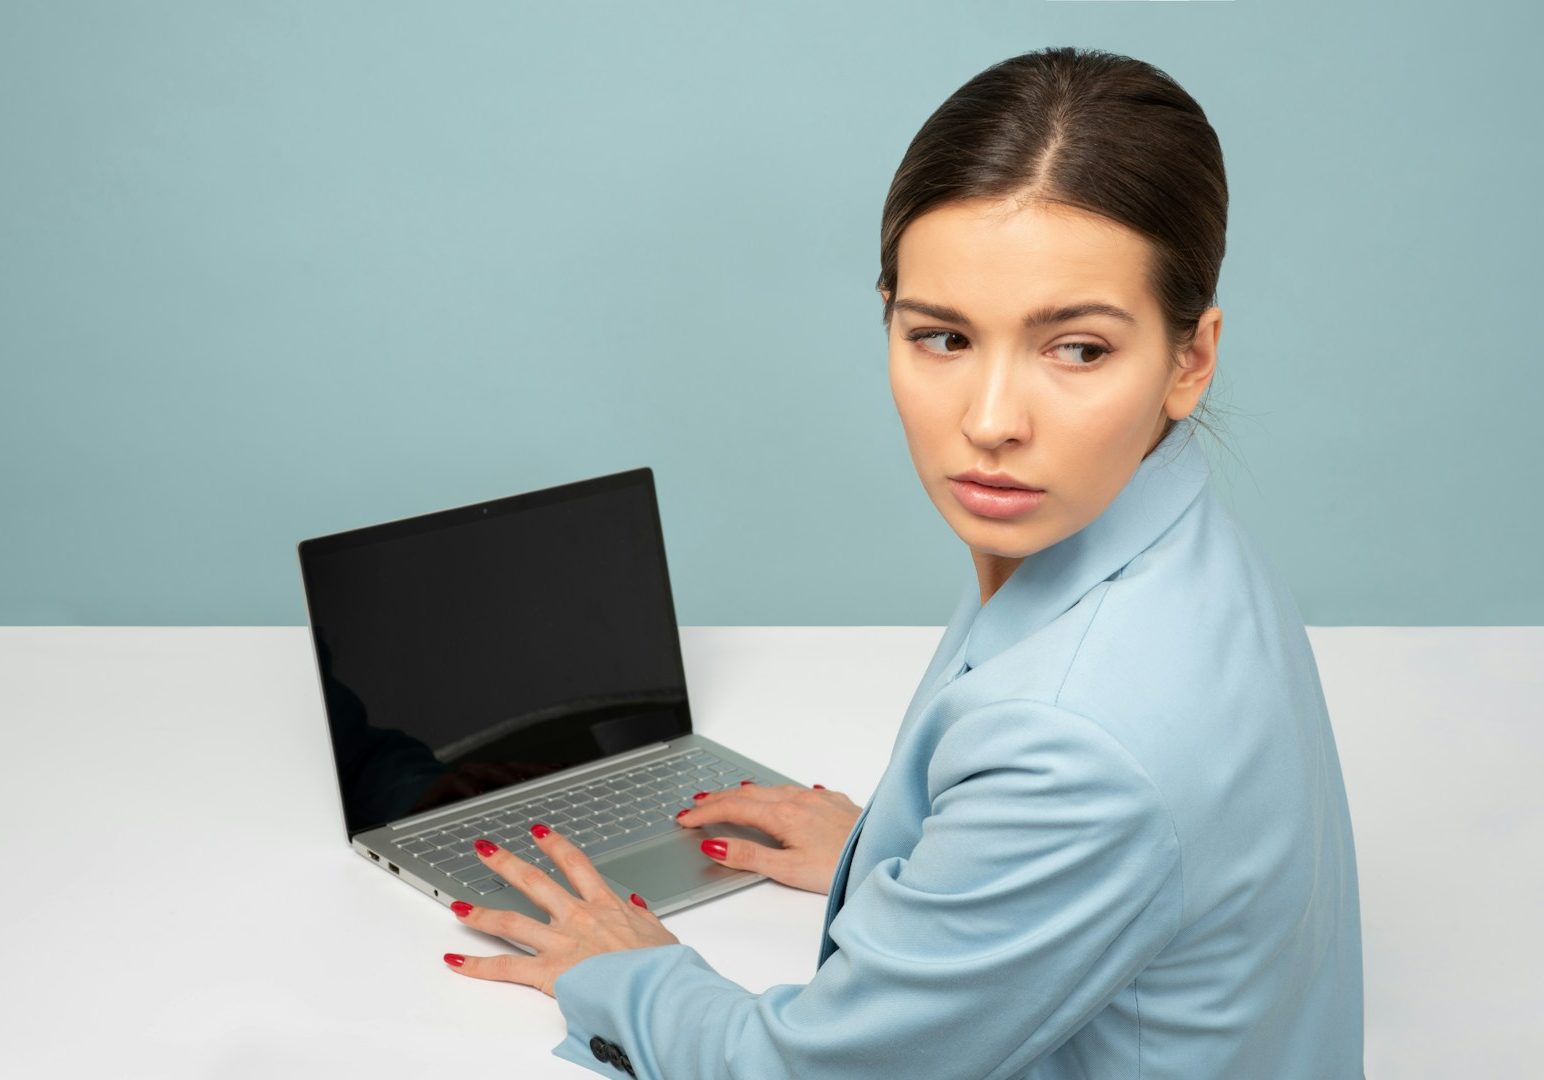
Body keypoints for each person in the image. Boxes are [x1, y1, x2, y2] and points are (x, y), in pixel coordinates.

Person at [439, 46, 1365, 1079]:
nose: (990, 421)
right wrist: (896, 861)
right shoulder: (1174, 539)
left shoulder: (1070, 750)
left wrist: (630, 969)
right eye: (941, 337)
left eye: (1077, 349)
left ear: (1188, 358)